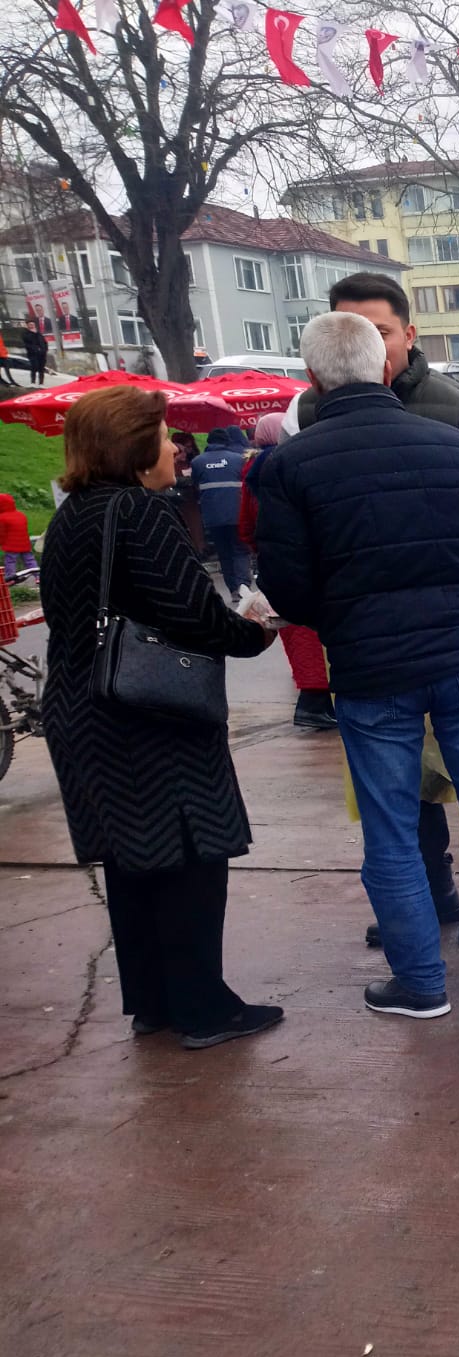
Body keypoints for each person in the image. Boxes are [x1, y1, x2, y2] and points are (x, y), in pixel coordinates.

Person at [257, 312, 459, 1018]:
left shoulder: (289, 465)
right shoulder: (456, 449)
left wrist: (346, 612)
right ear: (387, 366)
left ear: (313, 379)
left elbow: (287, 587)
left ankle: (420, 981)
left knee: (390, 826)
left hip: (371, 669)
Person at [39, 387, 282, 1049]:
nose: (177, 448)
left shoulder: (71, 516)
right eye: (166, 435)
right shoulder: (141, 513)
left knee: (134, 861)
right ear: (132, 445)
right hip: (146, 714)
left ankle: (154, 1001)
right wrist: (254, 631)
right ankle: (204, 1007)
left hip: (80, 706)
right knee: (189, 856)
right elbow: (192, 614)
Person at [232, 412, 334, 729]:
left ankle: (314, 699)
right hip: (301, 560)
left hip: (272, 561)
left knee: (294, 633)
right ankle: (315, 702)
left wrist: (260, 550)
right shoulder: (292, 466)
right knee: (309, 635)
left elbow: (245, 526)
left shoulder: (252, 471)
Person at [189, 425, 252, 593]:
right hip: (236, 513)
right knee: (239, 549)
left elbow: (195, 484)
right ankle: (243, 586)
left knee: (223, 551)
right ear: (227, 441)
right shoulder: (238, 459)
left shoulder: (197, 462)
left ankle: (232, 588)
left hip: (212, 516)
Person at [0, 490, 34, 582]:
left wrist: (1, 543)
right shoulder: (21, 515)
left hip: (11, 545)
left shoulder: (2, 518)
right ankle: (38, 576)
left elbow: (1, 533)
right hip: (25, 544)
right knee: (30, 560)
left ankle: (10, 578)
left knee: (10, 562)